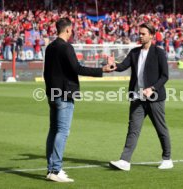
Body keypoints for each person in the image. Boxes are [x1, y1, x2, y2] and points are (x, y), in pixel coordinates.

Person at [43, 18, 116, 182]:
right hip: (64, 94)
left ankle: (51, 169)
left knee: (54, 130)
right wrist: (102, 70)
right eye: (72, 29)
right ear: (68, 30)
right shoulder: (66, 47)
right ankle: (55, 169)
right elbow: (78, 68)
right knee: (62, 131)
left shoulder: (50, 47)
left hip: (52, 93)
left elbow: (46, 73)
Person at [108, 22, 173, 171]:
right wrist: (113, 65)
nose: (140, 36)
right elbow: (122, 66)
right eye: (140, 33)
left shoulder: (159, 53)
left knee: (160, 128)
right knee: (133, 129)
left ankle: (167, 159)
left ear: (151, 35)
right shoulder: (134, 52)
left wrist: (153, 88)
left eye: (143, 34)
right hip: (137, 97)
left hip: (155, 98)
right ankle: (125, 161)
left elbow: (165, 76)